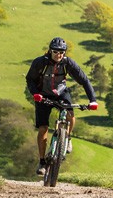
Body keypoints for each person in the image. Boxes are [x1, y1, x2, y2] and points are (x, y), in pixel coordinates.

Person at [25, 37, 97, 175]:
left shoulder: (68, 63)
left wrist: (92, 100)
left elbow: (85, 80)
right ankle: (42, 162)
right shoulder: (40, 62)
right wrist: (35, 94)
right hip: (42, 95)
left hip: (61, 93)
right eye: (56, 52)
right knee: (43, 128)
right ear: (50, 51)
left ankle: (68, 138)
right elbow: (30, 79)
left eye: (62, 52)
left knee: (70, 113)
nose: (59, 55)